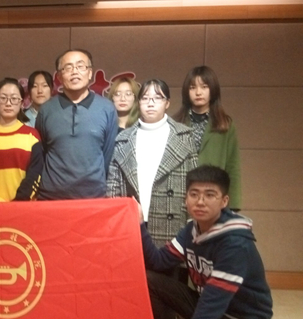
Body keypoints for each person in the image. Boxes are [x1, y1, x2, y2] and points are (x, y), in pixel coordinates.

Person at [139, 165, 272, 319]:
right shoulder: (191, 230)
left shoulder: (235, 244)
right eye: (194, 194)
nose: (200, 201)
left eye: (210, 195)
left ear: (224, 201)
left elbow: (210, 307)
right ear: (186, 199)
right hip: (214, 309)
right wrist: (140, 224)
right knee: (149, 281)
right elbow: (158, 262)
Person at [107, 79, 198, 247]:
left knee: (168, 262)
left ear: (167, 103)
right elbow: (113, 188)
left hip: (174, 223)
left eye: (157, 98)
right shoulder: (123, 139)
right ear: (138, 102)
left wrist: (193, 224)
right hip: (132, 221)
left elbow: (194, 185)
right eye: (145, 98)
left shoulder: (184, 137)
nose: (150, 103)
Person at [36, 49, 118, 200]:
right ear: (59, 76)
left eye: (80, 66)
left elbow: (108, 154)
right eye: (68, 67)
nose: (75, 72)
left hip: (93, 197)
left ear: (90, 73)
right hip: (51, 198)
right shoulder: (47, 110)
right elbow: (41, 152)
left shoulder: (107, 109)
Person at [175, 65, 242, 210]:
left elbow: (233, 166)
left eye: (204, 87)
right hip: (180, 196)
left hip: (212, 196)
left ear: (213, 90)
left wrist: (234, 205)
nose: (198, 92)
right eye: (192, 87)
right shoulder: (175, 123)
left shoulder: (225, 124)